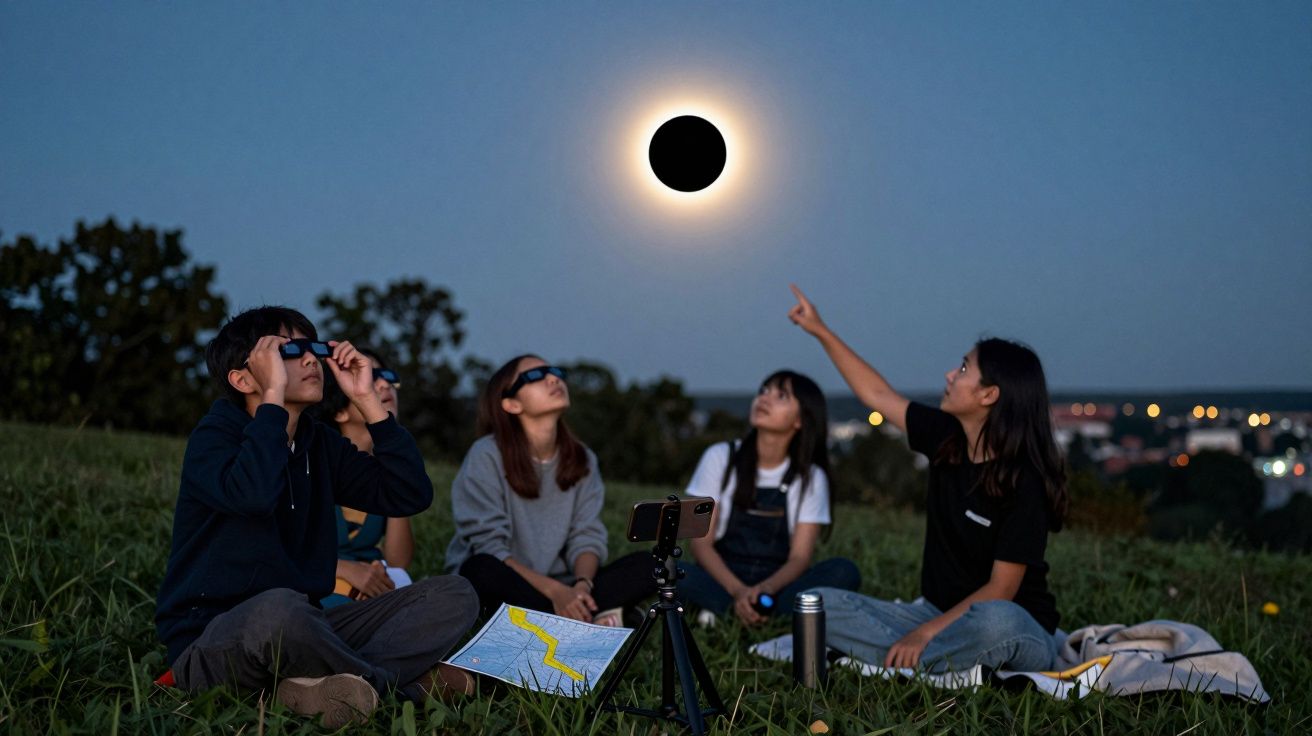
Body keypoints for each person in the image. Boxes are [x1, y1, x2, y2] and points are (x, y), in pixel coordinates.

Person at [154, 307, 478, 729]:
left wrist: (367, 400)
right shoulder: (214, 437)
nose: (311, 360)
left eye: (314, 349)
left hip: (309, 625)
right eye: (289, 350)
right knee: (280, 608)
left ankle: (323, 689)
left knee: (455, 594)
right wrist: (272, 399)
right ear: (243, 377)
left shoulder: (318, 443)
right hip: (215, 637)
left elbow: (408, 493)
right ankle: (401, 689)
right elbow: (252, 495)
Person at [787, 285, 1068, 673]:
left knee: (996, 622)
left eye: (965, 369)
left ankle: (903, 661)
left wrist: (923, 635)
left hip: (1015, 627)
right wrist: (819, 329)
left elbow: (1001, 591)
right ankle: (926, 663)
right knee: (816, 603)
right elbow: (876, 393)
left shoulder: (1025, 481)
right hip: (937, 616)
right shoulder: (945, 437)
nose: (950, 374)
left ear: (989, 395)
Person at [444, 355, 655, 626]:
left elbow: (586, 535)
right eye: (534, 376)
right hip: (507, 579)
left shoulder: (583, 458)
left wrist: (581, 587)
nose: (554, 379)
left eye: (554, 372)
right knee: (480, 569)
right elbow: (489, 546)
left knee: (648, 566)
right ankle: (588, 619)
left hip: (564, 583)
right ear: (511, 404)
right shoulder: (486, 454)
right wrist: (556, 593)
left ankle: (562, 617)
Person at [678, 370, 860, 627]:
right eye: (764, 391)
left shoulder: (809, 477)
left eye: (781, 396)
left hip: (777, 584)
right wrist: (739, 591)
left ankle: (731, 613)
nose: (764, 399)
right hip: (721, 576)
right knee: (669, 571)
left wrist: (765, 590)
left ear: (800, 420)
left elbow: (799, 557)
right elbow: (701, 545)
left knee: (844, 571)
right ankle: (752, 614)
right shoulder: (720, 457)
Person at [314, 348, 414, 607]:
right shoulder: (314, 462)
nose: (384, 384)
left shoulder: (385, 467)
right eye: (371, 376)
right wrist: (347, 570)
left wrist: (396, 469)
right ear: (339, 411)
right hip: (319, 587)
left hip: (378, 585)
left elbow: (398, 562)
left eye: (387, 377)